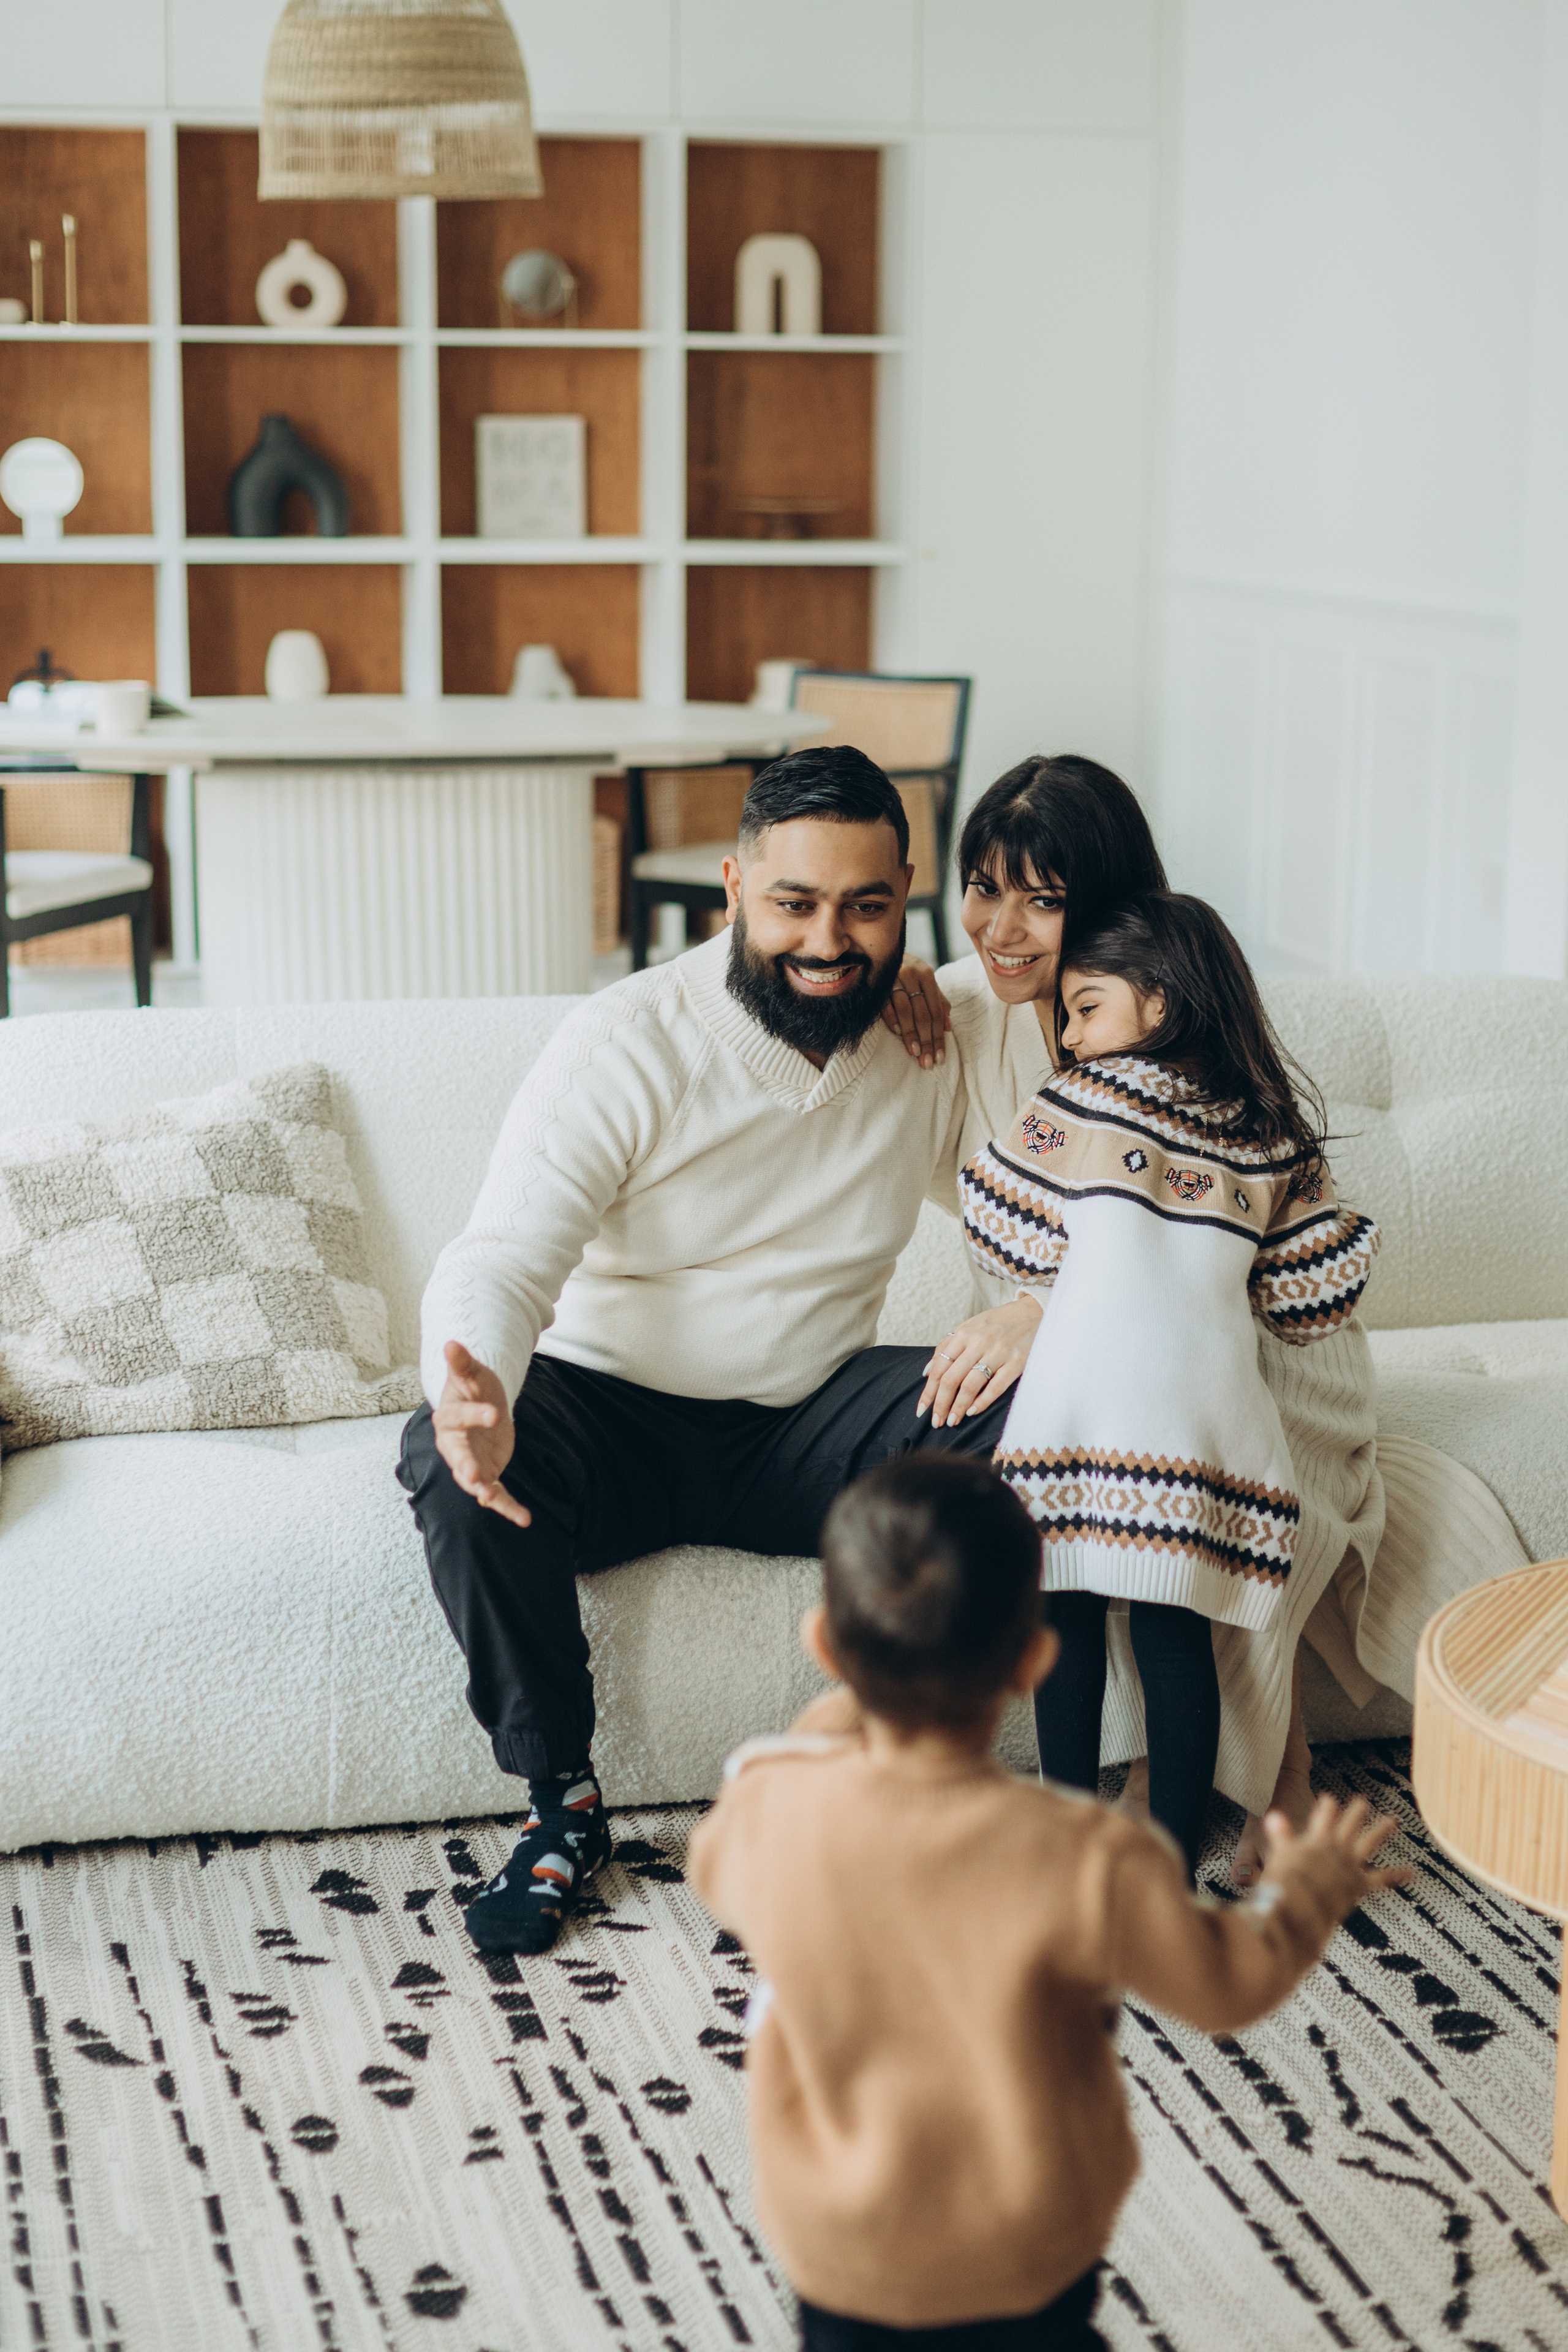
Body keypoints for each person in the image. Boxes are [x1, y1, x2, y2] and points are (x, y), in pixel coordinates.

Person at [398, 743, 1017, 1956]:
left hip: (805, 1424)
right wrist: (472, 1376)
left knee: (1042, 1396)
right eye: (793, 903)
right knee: (443, 1459)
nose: (828, 941)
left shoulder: (924, 1033)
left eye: (865, 906)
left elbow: (1050, 1158)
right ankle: (562, 1810)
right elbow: (504, 1253)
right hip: (605, 1408)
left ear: (907, 899)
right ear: (730, 886)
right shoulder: (628, 1039)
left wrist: (1037, 1308)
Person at [688, 1453, 1409, 2351]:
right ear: (1032, 1660)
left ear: (828, 1649)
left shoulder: (771, 1812)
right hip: (1026, 2257)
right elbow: (1226, 1988)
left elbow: (711, 1868)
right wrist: (1307, 1896)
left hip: (841, 2250)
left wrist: (826, 1729)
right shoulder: (1089, 1858)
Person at [884, 753, 1386, 1884]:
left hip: (1261, 1346)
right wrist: (884, 970)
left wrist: (1041, 1308)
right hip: (1112, 1358)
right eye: (981, 886)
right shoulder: (963, 1012)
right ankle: (1134, 1799)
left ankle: (1270, 1771)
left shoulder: (1186, 1048)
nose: (1000, 929)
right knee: (1095, 1555)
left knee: (1220, 1501)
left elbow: (1293, 1264)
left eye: (1043, 899)